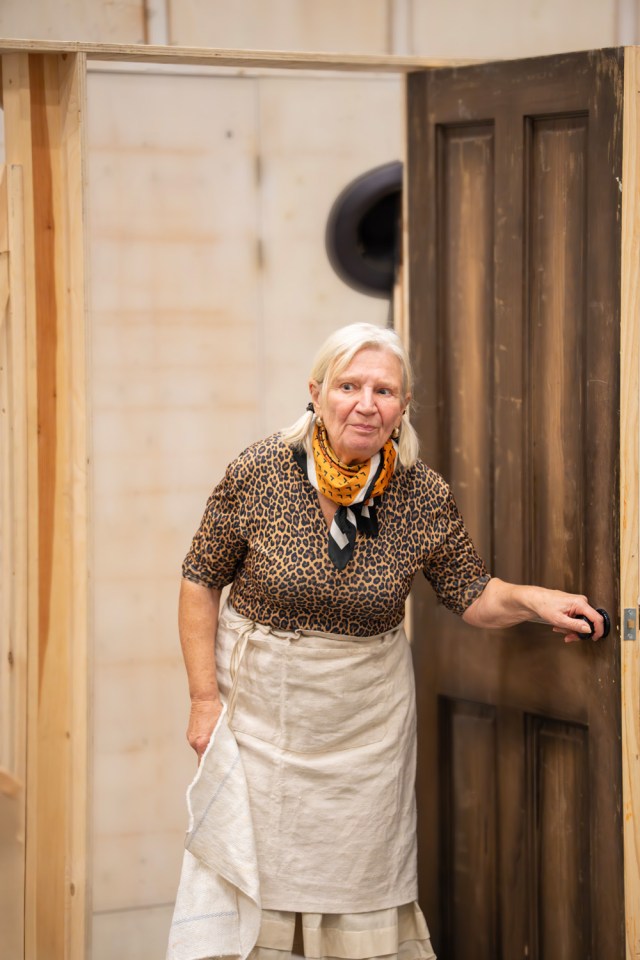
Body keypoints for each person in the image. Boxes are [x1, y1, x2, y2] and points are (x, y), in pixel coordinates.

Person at [178, 322, 604, 960]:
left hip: (365, 728)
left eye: (384, 389)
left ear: (403, 408)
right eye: (349, 385)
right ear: (317, 393)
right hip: (262, 715)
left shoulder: (420, 493)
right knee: (252, 877)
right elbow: (199, 580)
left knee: (359, 883)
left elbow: (472, 593)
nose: (365, 403)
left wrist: (536, 601)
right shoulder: (260, 470)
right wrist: (204, 699)